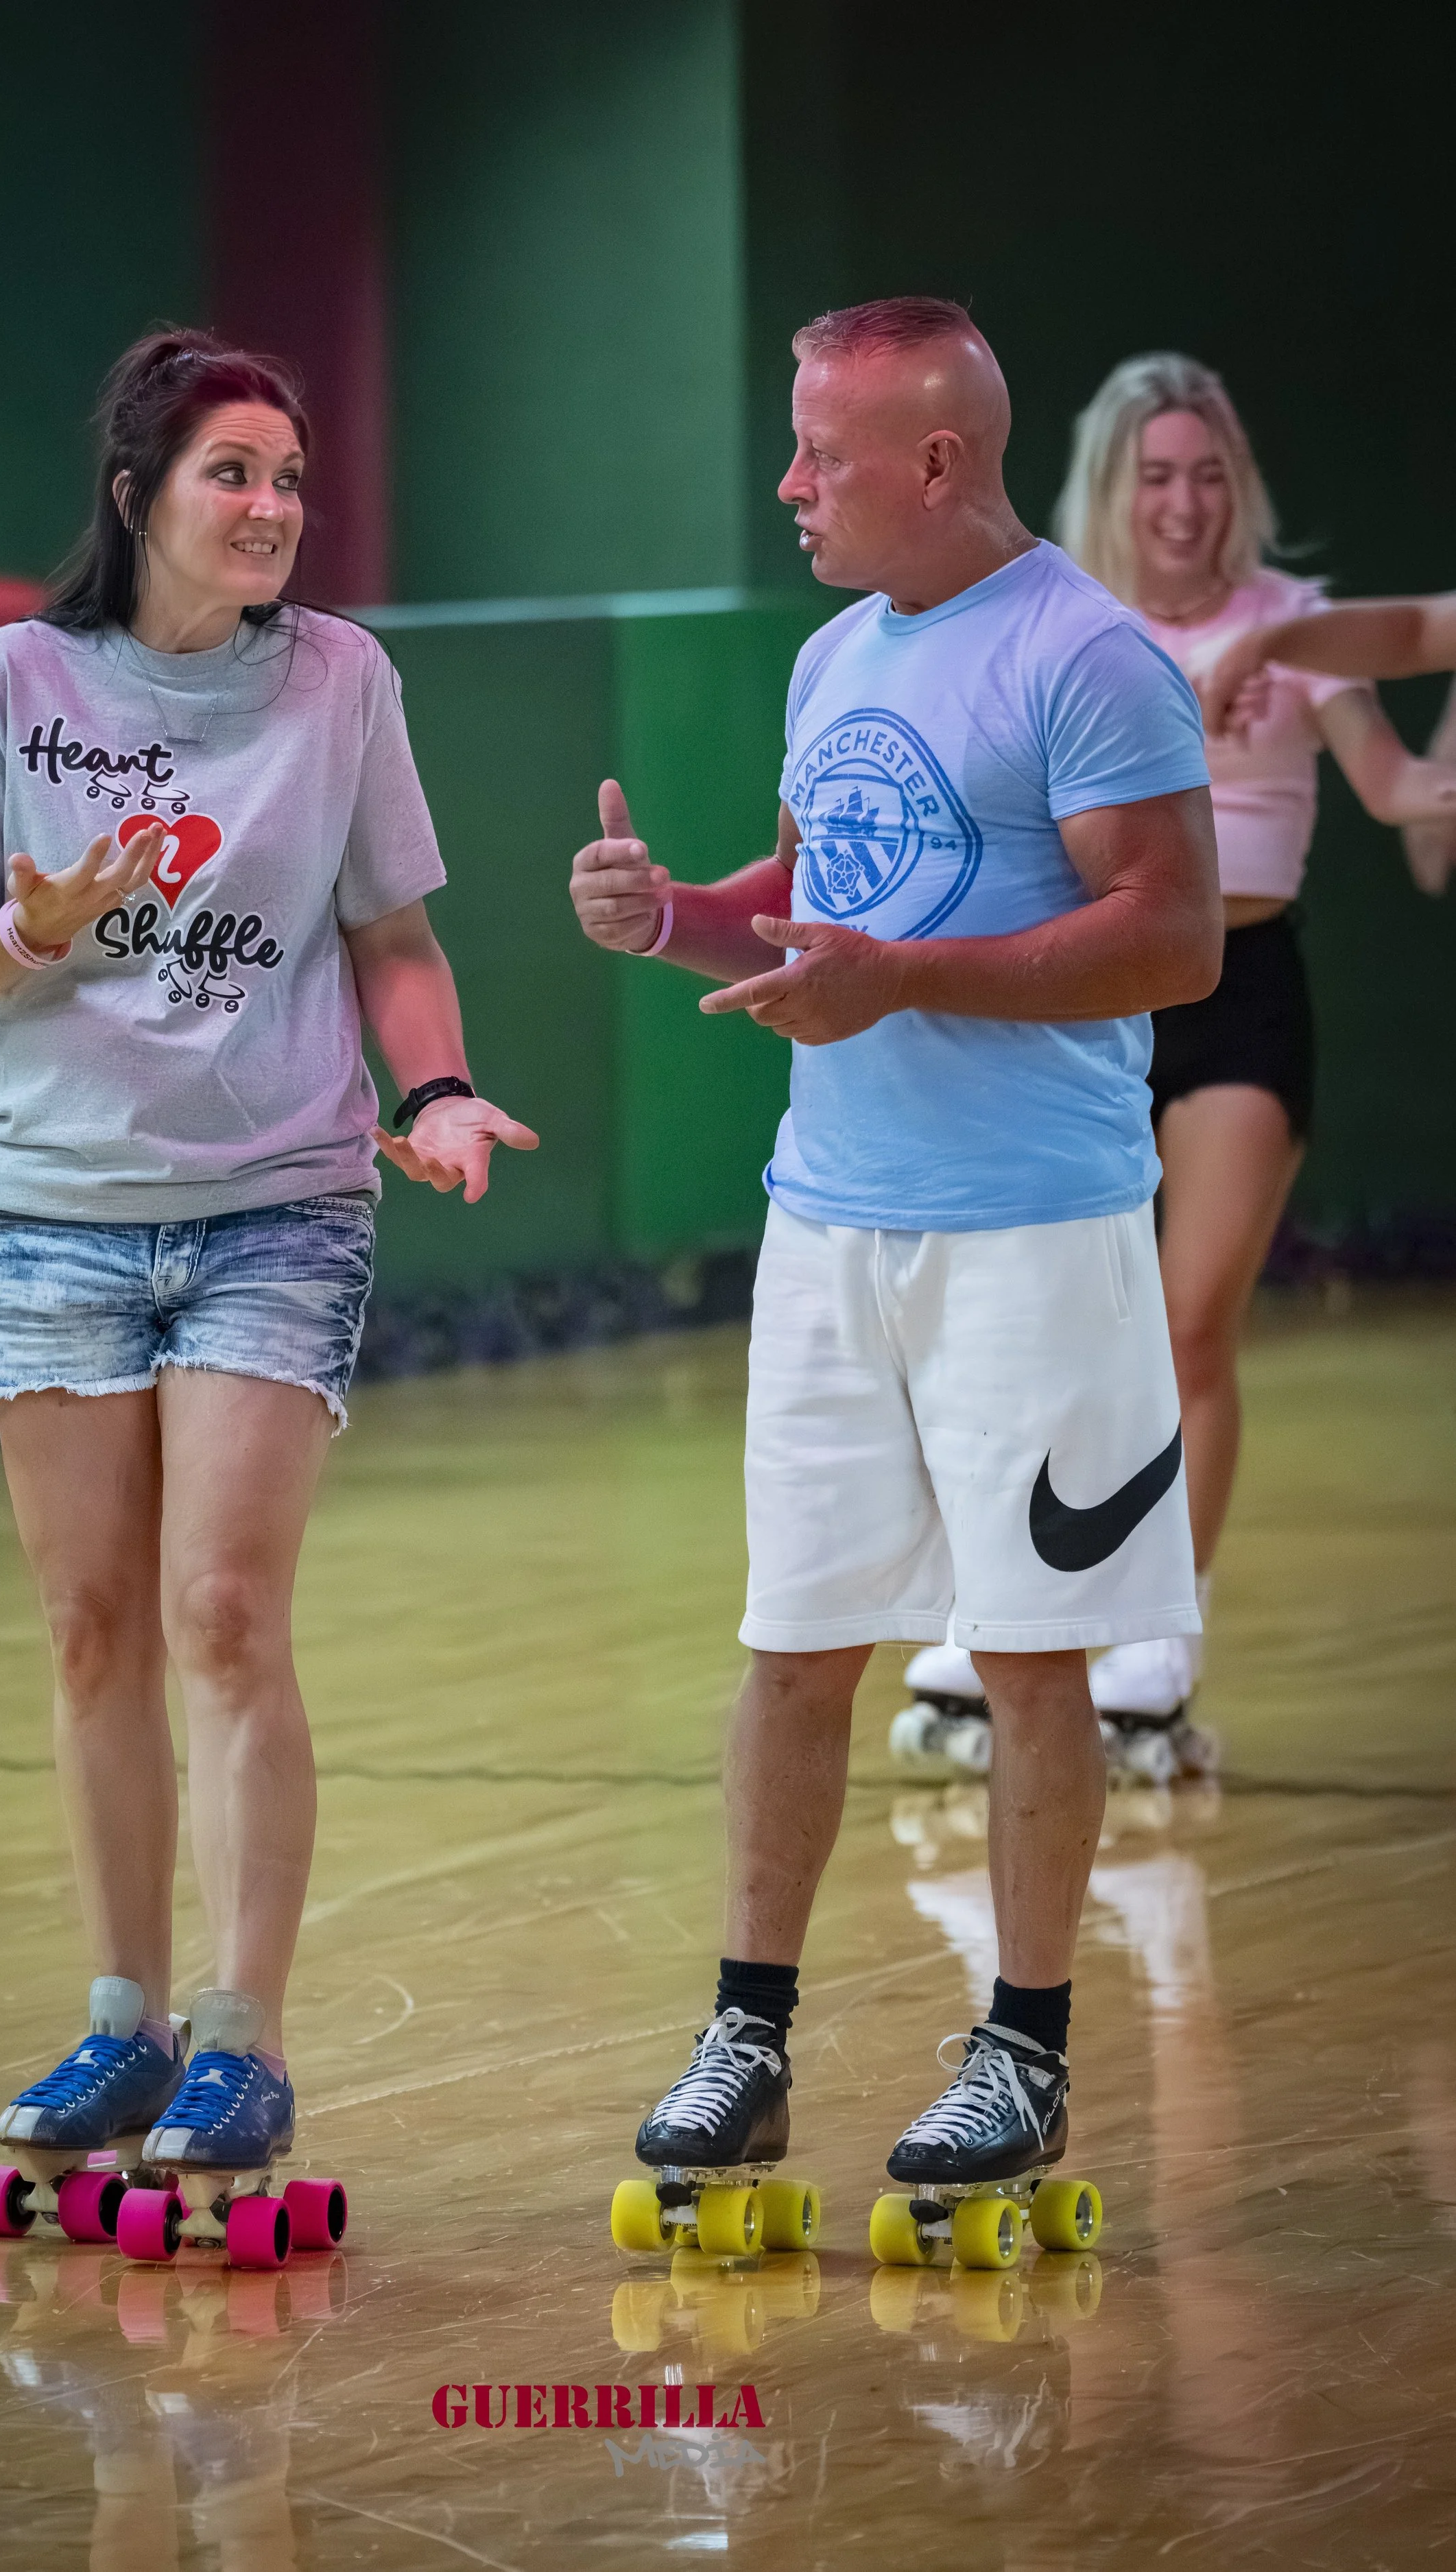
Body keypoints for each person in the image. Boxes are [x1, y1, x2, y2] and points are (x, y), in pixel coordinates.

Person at [570, 296, 1219, 2206]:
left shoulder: (1087, 658)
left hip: (1036, 1234)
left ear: (938, 460)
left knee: (1027, 1655)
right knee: (790, 1647)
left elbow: (1170, 931)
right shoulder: (835, 651)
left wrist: (900, 982)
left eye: (819, 453)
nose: (786, 483)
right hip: (826, 1227)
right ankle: (744, 2033)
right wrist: (669, 913)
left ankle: (1019, 2050)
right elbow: (807, 919)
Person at [0, 328, 535, 2204]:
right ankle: (124, 2016)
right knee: (91, 1627)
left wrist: (445, 1086)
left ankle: (241, 2034)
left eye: (289, 478)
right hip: (47, 1207)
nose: (271, 509)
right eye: (232, 473)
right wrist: (26, 923)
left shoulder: (339, 679)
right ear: (137, 494)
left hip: (277, 1195)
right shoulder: (13, 679)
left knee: (223, 1612)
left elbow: (390, 929)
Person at [900, 355, 1456, 1776]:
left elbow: (1398, 787)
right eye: (1156, 474)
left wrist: (1312, 685)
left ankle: (1156, 1633)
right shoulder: (1062, 624)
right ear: (1111, 487)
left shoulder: (1288, 623)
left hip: (1241, 999)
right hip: (1082, 1005)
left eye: (1207, 474)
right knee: (1036, 1322)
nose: (1183, 502)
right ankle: (1014, 1610)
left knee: (1181, 1318)